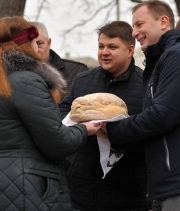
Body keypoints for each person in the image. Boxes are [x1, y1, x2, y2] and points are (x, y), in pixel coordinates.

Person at [0, 16, 101, 211]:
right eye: (35, 41)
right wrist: (83, 130)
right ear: (26, 43)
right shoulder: (26, 81)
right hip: (23, 186)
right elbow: (56, 143)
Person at [103, 0, 180, 211]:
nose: (135, 32)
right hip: (172, 181)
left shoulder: (179, 56)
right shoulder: (166, 58)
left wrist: (112, 129)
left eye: (140, 24)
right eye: (133, 26)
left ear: (164, 22)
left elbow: (163, 115)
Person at [58, 20, 150, 211]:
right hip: (82, 190)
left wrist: (113, 132)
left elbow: (150, 131)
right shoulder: (83, 80)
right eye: (101, 46)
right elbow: (62, 114)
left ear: (130, 50)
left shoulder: (145, 85)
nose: (104, 52)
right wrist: (83, 128)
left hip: (128, 191)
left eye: (112, 47)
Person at [32, 21, 88, 90]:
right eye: (30, 45)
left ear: (49, 43)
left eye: (39, 44)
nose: (35, 49)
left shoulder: (77, 72)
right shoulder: (16, 75)